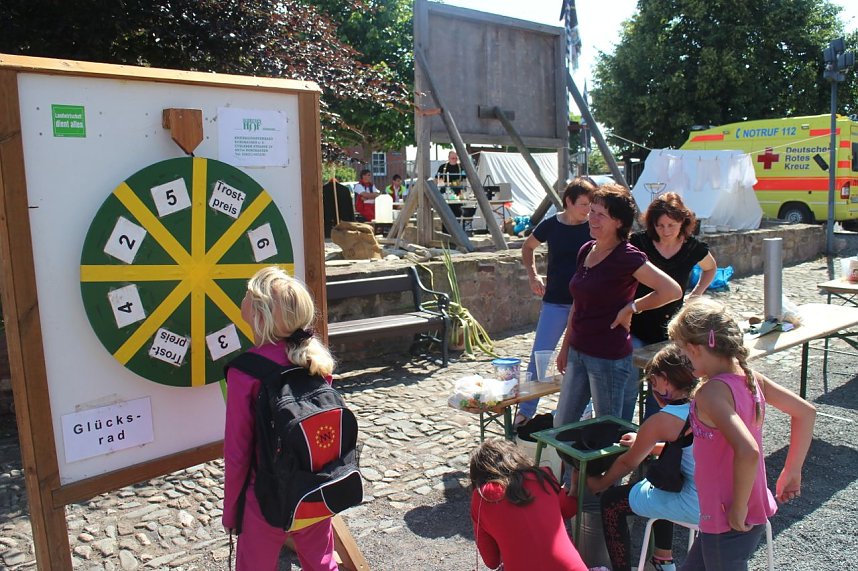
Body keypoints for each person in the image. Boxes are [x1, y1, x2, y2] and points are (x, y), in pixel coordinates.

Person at [667, 297, 816, 571]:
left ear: (693, 348)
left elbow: (748, 451)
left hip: (729, 515)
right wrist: (792, 470)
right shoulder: (751, 378)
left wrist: (737, 507)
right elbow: (806, 413)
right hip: (736, 511)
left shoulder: (710, 392)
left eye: (683, 353)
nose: (684, 360)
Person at [223, 267, 339, 571]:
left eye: (249, 296)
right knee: (322, 563)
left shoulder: (244, 372)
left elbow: (237, 452)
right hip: (314, 487)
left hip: (264, 497)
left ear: (259, 314)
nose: (243, 299)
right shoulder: (316, 361)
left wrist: (231, 512)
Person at [555, 183, 682, 426]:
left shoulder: (627, 256)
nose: (593, 218)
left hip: (608, 357)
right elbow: (577, 305)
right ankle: (571, 466)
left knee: (607, 430)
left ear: (619, 223)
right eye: (592, 211)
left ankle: (619, 465)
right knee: (562, 426)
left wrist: (632, 307)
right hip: (578, 352)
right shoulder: (586, 250)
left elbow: (671, 290)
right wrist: (565, 347)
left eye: (601, 215)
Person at [587, 344, 699, 571]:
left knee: (612, 502)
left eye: (653, 382)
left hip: (696, 504)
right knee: (659, 476)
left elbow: (628, 462)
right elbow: (687, 447)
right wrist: (646, 443)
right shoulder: (704, 404)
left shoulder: (664, 419)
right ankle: (662, 560)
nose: (652, 389)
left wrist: (600, 483)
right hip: (722, 497)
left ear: (665, 380)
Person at [630, 192, 717, 419]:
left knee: (662, 386)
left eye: (672, 225)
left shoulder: (692, 247)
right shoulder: (639, 242)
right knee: (628, 379)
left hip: (669, 327)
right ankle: (623, 432)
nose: (666, 231)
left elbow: (710, 268)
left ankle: (654, 436)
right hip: (637, 320)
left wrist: (697, 293)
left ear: (683, 222)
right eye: (660, 225)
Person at [517, 177, 596, 424]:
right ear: (568, 202)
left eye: (591, 205)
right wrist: (533, 275)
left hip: (585, 303)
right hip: (555, 301)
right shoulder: (552, 224)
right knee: (540, 356)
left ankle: (583, 410)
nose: (588, 210)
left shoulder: (593, 226)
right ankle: (526, 412)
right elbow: (527, 246)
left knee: (585, 358)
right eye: (584, 204)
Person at [469, 439, 588, 571]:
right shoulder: (542, 476)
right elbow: (567, 509)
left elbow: (492, 561)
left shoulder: (481, 497)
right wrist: (574, 487)